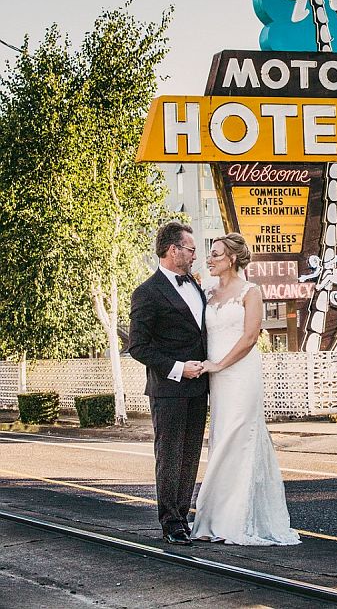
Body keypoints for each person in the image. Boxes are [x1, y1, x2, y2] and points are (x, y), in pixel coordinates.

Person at [191, 233, 300, 546]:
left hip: (239, 374)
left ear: (232, 259)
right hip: (216, 378)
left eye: (214, 255)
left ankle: (235, 521)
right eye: (209, 255)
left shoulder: (252, 292)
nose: (209, 260)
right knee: (221, 439)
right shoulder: (208, 291)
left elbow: (251, 337)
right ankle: (213, 518)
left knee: (238, 440)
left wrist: (219, 364)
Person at [129, 220, 208, 545]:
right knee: (170, 454)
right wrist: (178, 368)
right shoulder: (147, 292)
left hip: (198, 388)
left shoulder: (195, 285)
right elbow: (138, 346)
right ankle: (170, 522)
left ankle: (183, 515)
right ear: (173, 250)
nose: (194, 256)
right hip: (169, 389)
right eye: (190, 250)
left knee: (190, 455)